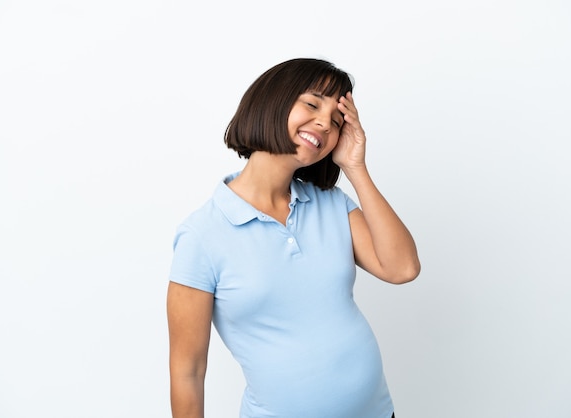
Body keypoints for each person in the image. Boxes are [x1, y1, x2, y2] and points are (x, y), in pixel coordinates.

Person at [166, 58, 420, 418]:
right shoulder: (202, 236)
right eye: (312, 104)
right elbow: (187, 372)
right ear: (272, 101)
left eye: (336, 120)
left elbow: (403, 268)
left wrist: (355, 168)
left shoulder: (331, 203)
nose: (324, 124)